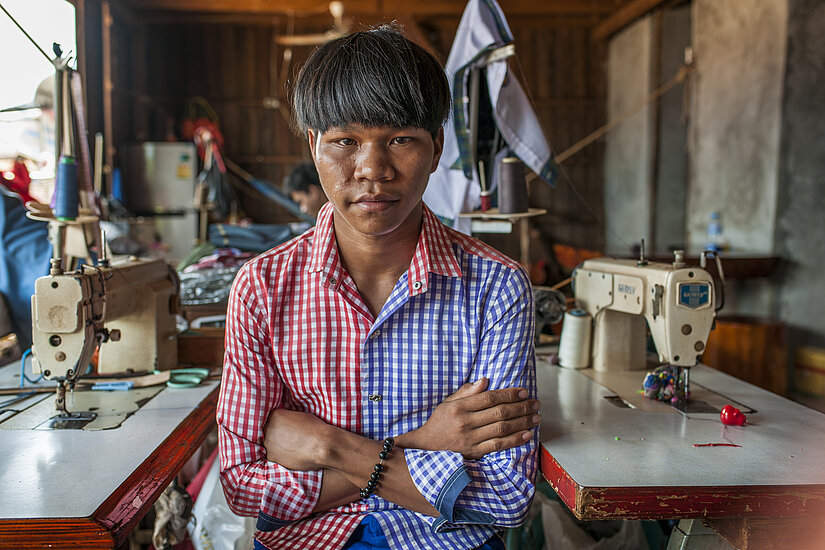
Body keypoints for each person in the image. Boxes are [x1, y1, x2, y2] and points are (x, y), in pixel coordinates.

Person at [217, 26, 539, 550]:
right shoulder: (261, 288)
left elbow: (506, 494)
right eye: (345, 141)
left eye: (400, 139)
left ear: (436, 149)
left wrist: (328, 446)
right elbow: (243, 487)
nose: (372, 169)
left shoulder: (497, 287)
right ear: (314, 148)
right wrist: (425, 442)